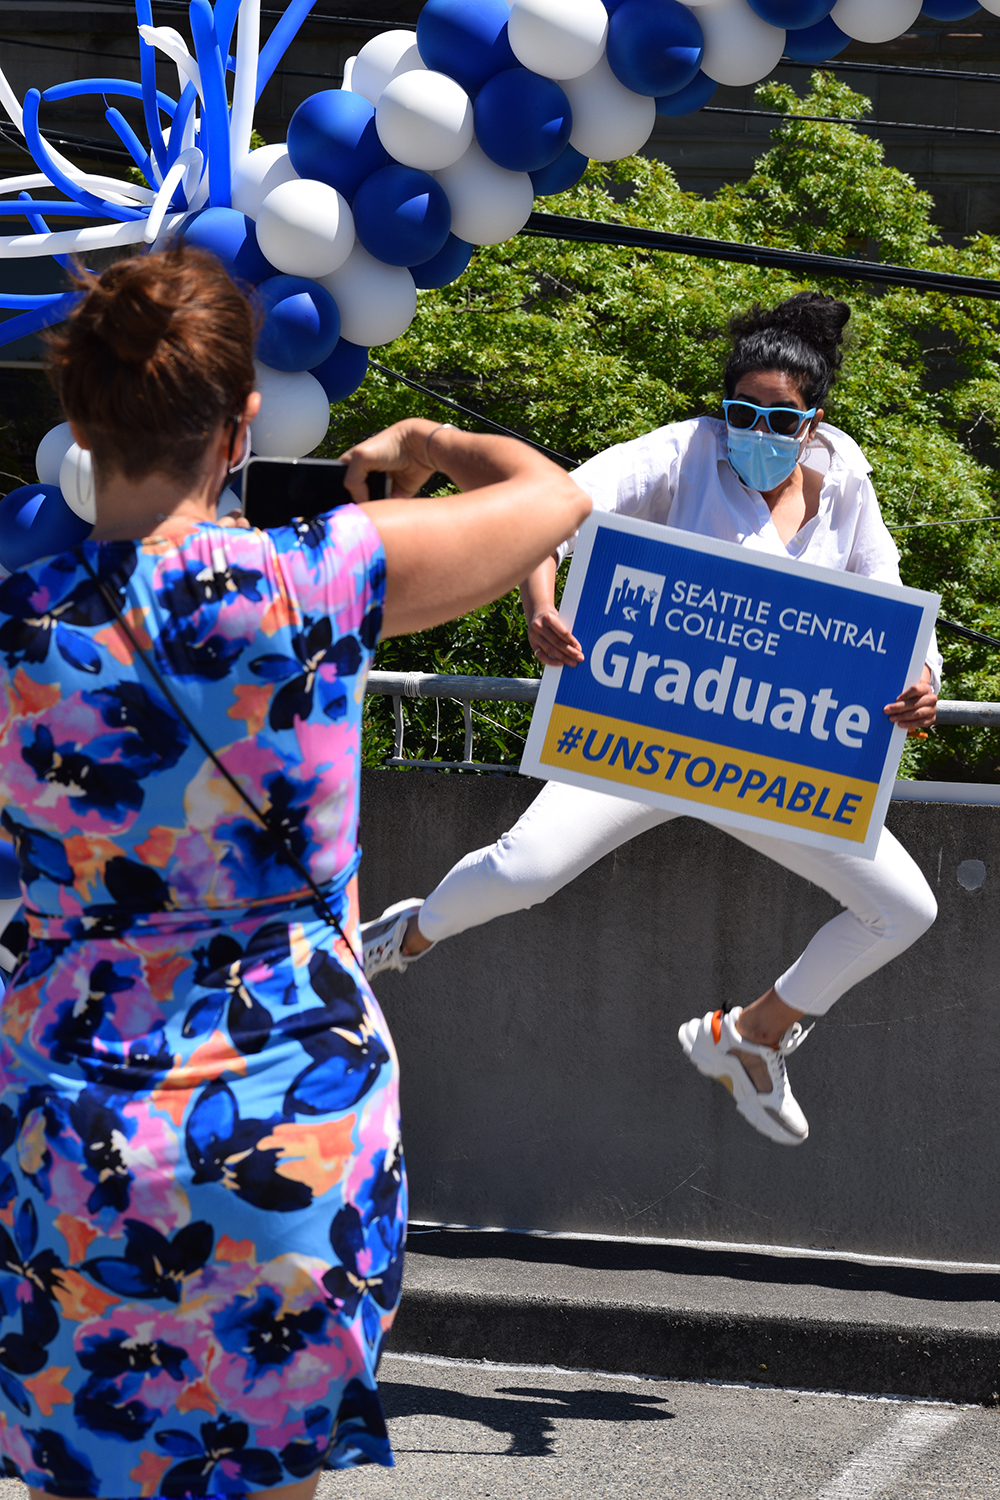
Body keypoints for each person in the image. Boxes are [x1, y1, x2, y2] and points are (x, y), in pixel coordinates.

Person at [0, 247, 590, 1500]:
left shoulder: (16, 625)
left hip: (70, 1120)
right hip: (291, 1105)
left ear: (76, 418)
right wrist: (429, 432)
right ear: (240, 418)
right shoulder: (316, 579)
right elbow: (552, 498)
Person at [361, 292, 940, 1149]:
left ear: (814, 423)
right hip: (647, 741)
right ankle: (402, 935)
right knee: (526, 872)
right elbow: (551, 509)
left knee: (905, 909)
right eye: (741, 410)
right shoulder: (684, 451)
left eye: (781, 418)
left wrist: (924, 679)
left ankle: (752, 1034)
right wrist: (540, 601)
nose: (757, 429)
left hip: (773, 761)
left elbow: (893, 603)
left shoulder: (846, 474)